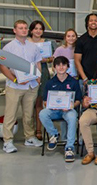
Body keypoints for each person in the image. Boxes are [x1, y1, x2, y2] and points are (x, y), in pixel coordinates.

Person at [0, 20, 43, 153]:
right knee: (11, 114)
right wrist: (14, 79)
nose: (24, 30)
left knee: (28, 114)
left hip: (31, 86)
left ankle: (29, 137)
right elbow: (3, 66)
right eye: (20, 28)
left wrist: (39, 78)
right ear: (14, 30)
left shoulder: (33, 47)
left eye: (25, 28)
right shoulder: (8, 48)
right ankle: (8, 141)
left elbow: (38, 63)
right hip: (15, 86)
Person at [39, 56, 82, 162]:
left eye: (63, 65)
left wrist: (72, 105)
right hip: (54, 110)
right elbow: (45, 101)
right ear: (54, 68)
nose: (61, 67)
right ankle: (54, 134)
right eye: (58, 65)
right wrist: (49, 105)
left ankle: (69, 147)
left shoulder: (73, 82)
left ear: (68, 66)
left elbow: (78, 100)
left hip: (67, 111)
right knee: (43, 113)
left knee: (72, 117)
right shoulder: (50, 83)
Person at [28, 20, 55, 140]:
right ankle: (29, 130)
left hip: (43, 72)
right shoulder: (26, 43)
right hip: (28, 72)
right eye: (36, 28)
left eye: (40, 29)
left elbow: (53, 58)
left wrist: (46, 60)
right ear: (31, 30)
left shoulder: (47, 43)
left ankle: (39, 129)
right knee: (28, 103)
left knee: (40, 101)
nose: (38, 31)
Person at [74, 14, 97, 87]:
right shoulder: (81, 40)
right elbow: (77, 60)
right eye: (91, 21)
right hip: (84, 80)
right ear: (87, 23)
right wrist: (85, 78)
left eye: (95, 21)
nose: (93, 22)